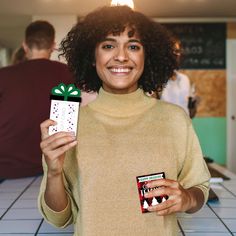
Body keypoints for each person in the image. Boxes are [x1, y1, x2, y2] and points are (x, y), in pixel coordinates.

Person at [38, 6, 210, 236]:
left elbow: (199, 189)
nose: (121, 56)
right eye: (108, 46)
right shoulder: (69, 125)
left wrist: (187, 197)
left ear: (146, 56)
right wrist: (54, 173)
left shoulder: (175, 119)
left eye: (133, 46)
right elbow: (60, 218)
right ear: (92, 56)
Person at [0, 20, 75, 179]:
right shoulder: (68, 74)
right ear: (53, 45)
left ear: (25, 45)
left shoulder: (3, 75)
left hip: (6, 169)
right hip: (50, 167)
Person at [160, 38, 192, 116]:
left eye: (178, 51)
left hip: (184, 126)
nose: (177, 55)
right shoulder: (156, 80)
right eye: (173, 51)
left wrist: (194, 106)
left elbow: (190, 113)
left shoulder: (184, 79)